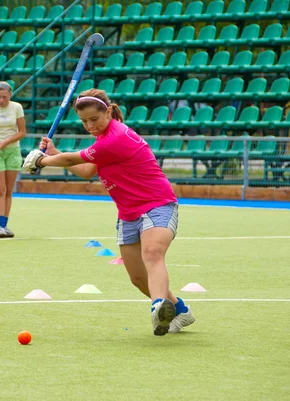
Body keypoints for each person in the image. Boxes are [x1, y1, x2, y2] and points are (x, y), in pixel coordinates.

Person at [22, 89, 195, 336]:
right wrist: (53, 153)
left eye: (95, 119)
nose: (90, 125)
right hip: (127, 213)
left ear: (109, 111)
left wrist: (40, 161)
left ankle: (157, 307)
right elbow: (86, 170)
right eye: (84, 122)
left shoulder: (118, 136)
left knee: (153, 253)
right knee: (138, 278)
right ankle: (179, 310)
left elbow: (75, 160)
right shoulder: (103, 142)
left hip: (157, 204)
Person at [0, 81, 26, 238]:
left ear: (10, 94)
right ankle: (0, 226)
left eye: (4, 97)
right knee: (0, 190)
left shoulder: (16, 107)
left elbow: (22, 132)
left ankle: (5, 225)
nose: (1, 101)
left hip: (13, 151)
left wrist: (6, 142)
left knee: (8, 190)